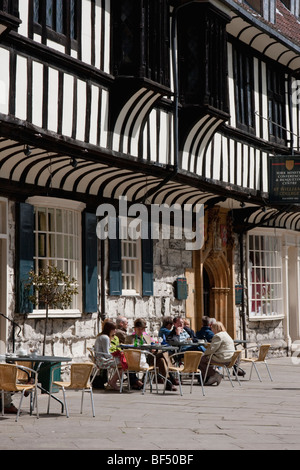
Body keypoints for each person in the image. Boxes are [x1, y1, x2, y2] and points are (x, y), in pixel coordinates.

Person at [125, 318, 177, 391]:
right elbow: (127, 349)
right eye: (139, 329)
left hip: (149, 357)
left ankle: (168, 382)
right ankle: (170, 380)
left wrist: (154, 349)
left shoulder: (147, 337)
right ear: (135, 329)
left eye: (142, 329)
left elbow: (152, 346)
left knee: (162, 355)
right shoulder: (130, 338)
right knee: (161, 359)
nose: (141, 331)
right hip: (137, 359)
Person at [198, 321, 236, 386]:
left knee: (200, 359)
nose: (212, 330)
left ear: (215, 328)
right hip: (230, 357)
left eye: (212, 328)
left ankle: (214, 374)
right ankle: (210, 376)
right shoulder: (226, 334)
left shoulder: (218, 336)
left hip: (223, 358)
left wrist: (205, 353)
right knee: (205, 359)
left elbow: (212, 349)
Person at [94, 320, 127, 391]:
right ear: (109, 329)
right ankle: (113, 382)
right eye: (114, 329)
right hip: (102, 361)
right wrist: (116, 356)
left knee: (123, 363)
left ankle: (112, 381)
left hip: (100, 359)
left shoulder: (102, 336)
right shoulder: (105, 338)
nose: (115, 331)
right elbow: (107, 354)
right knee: (125, 363)